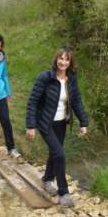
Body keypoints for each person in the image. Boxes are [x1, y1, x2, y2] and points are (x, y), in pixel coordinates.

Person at [25, 46, 88, 208]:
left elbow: (76, 101)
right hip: (46, 122)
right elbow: (32, 101)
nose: (63, 62)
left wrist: (83, 122)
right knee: (59, 154)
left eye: (67, 59)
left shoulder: (71, 79)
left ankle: (47, 179)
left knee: (55, 153)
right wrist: (31, 125)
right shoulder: (45, 78)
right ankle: (63, 191)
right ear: (56, 59)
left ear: (70, 62)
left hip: (62, 123)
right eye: (61, 58)